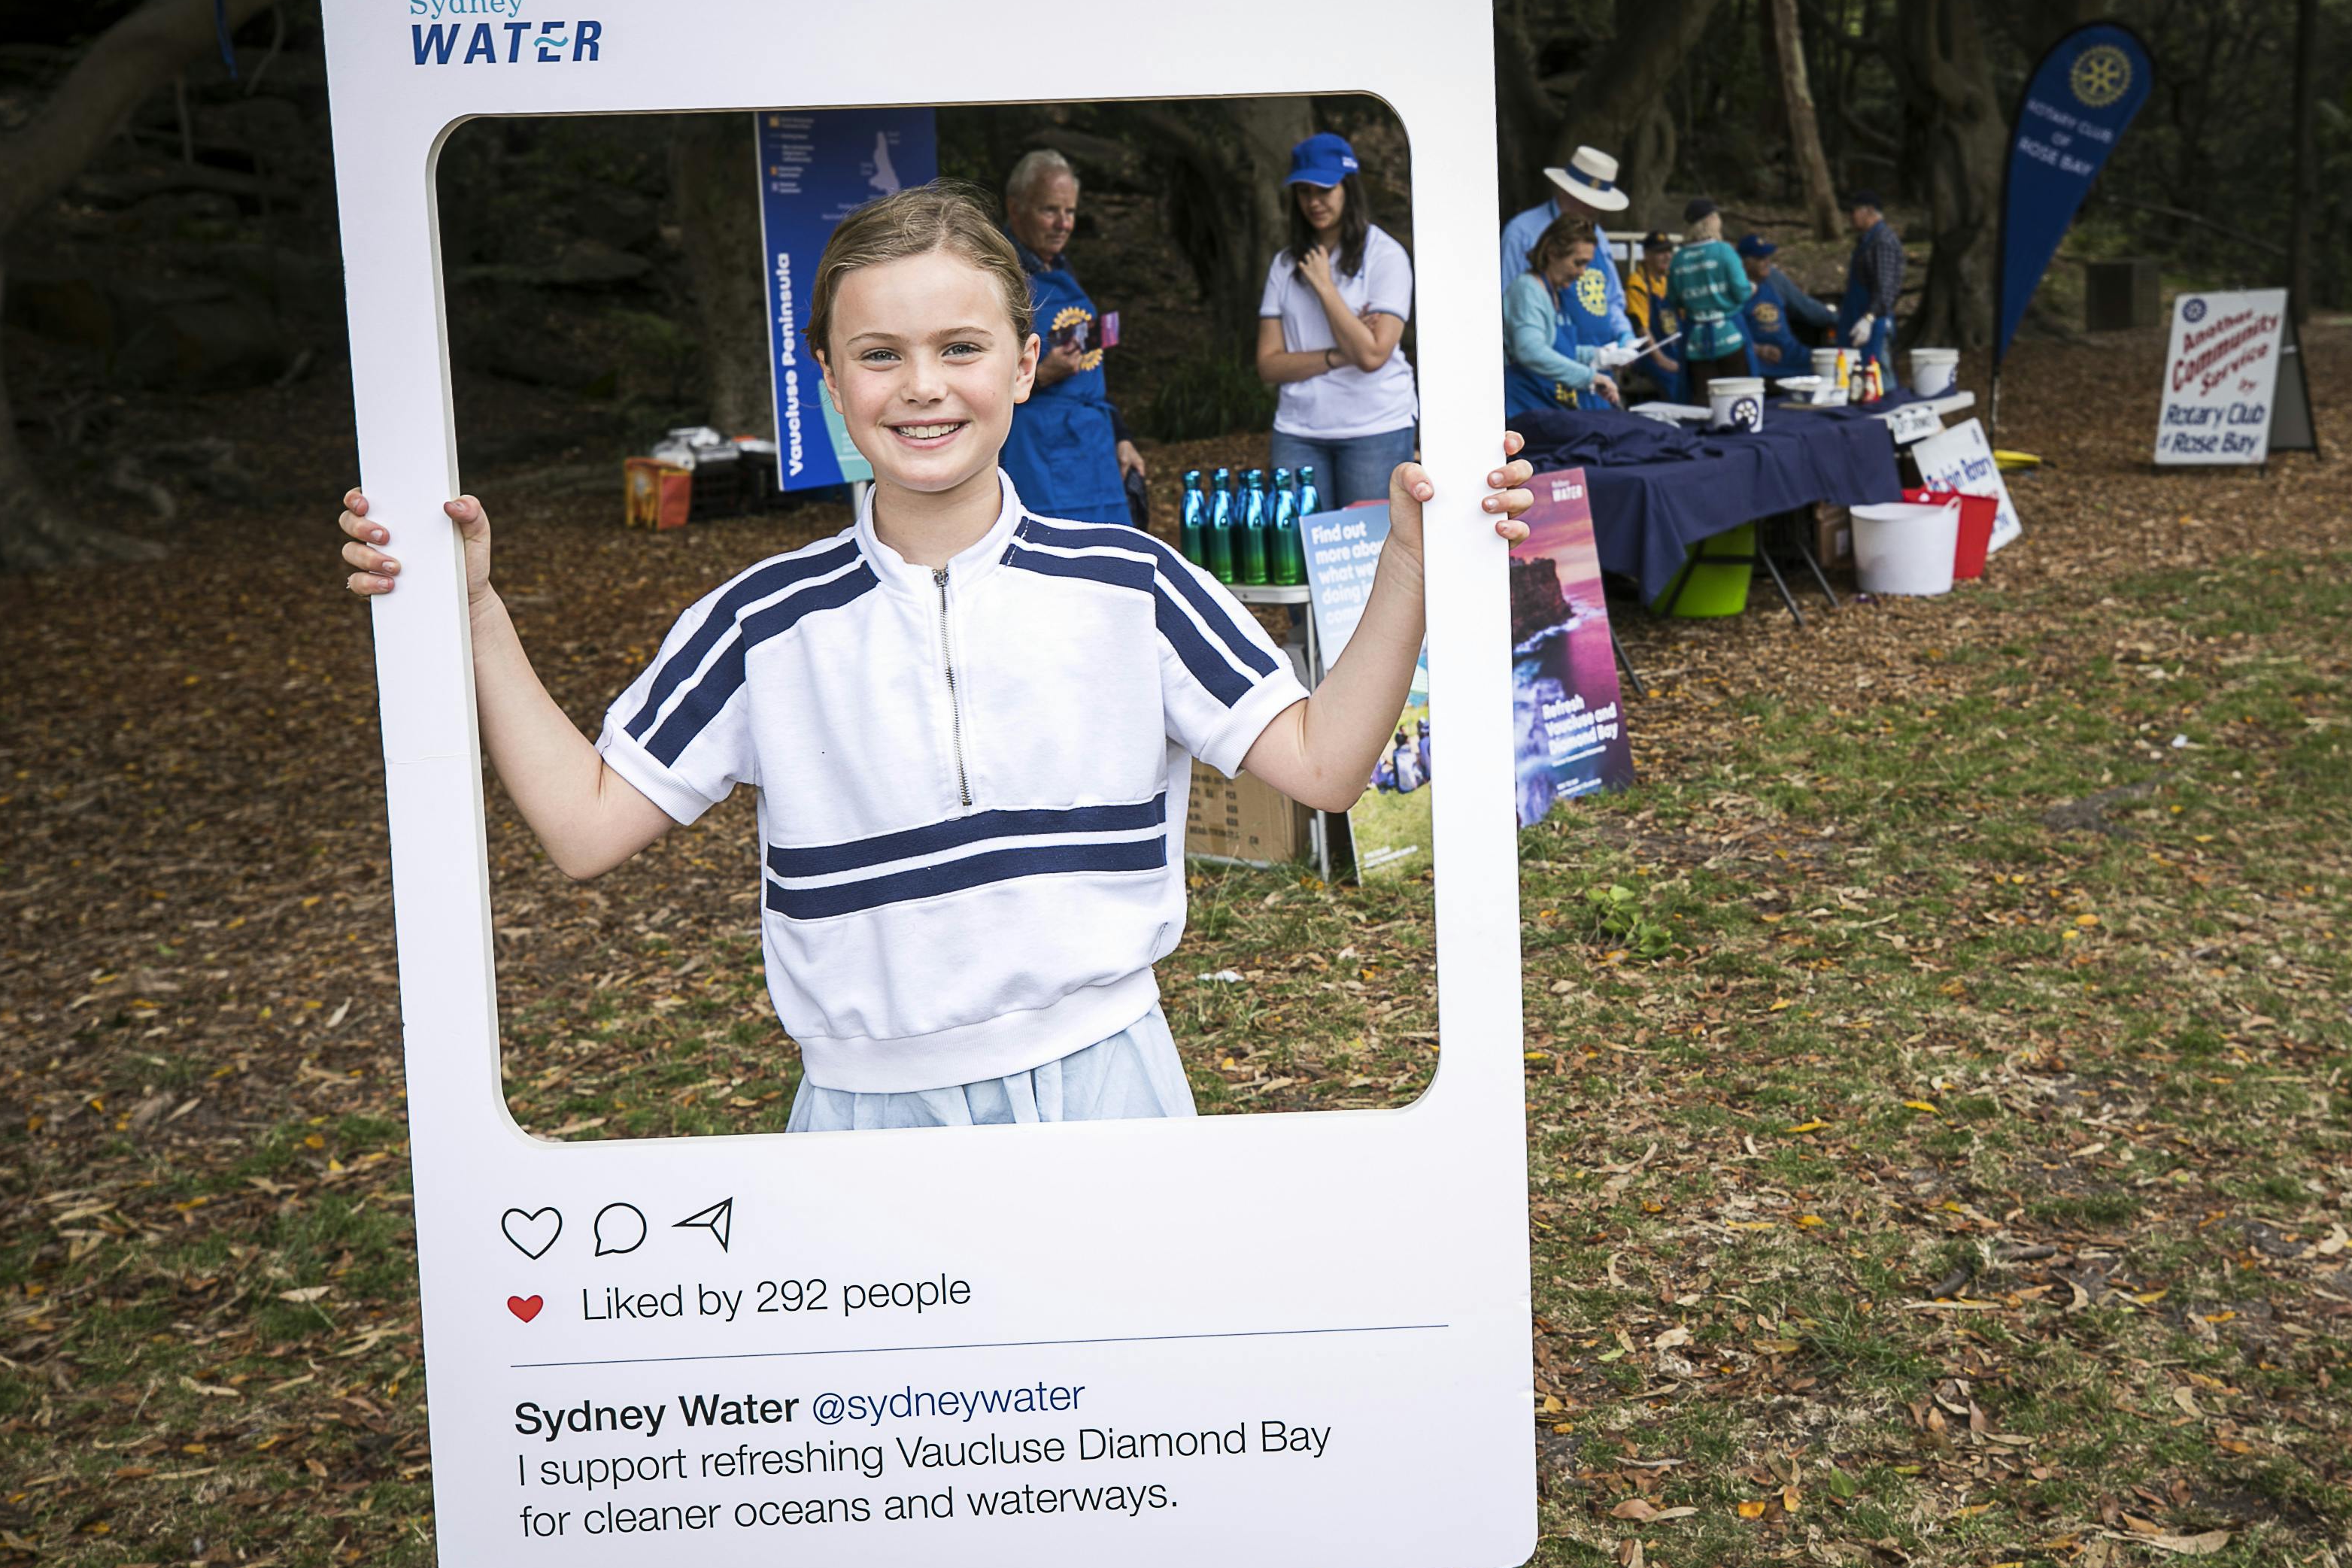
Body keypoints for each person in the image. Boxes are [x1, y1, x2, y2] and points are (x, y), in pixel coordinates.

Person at [338, 181, 1536, 1143]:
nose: (921, 386)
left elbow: (1325, 767)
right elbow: (586, 826)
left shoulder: (1138, 582)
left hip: (1109, 1090)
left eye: (960, 346)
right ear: (825, 376)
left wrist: (1409, 569)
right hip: (865, 1117)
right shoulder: (758, 621)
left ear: (1024, 363)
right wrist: (477, 607)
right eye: (879, 354)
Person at [1255, 132, 1422, 508]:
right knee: (1299, 559)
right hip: (1298, 431)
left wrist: (1326, 288)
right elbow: (1268, 364)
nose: (1314, 202)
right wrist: (1339, 353)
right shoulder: (1285, 264)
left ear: (1348, 187)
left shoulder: (1386, 256)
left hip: (1375, 427)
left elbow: (1373, 357)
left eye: (1324, 189)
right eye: (1303, 192)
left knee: (1372, 557)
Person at [997, 148, 1143, 523]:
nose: (1063, 223)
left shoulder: (1060, 268)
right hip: (1035, 454)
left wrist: (1121, 437)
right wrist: (1043, 374)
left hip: (1092, 450)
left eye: (1071, 212)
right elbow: (977, 376)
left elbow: (1093, 373)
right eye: (1050, 210)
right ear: (1015, 209)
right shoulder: (998, 276)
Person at [1498, 144, 1635, 344]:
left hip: (1603, 357)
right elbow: (1507, 301)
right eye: (1584, 199)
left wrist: (1624, 334)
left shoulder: (1599, 236)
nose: (1591, 208)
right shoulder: (1522, 232)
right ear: (1564, 190)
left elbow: (1611, 298)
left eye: (1597, 203)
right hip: (1546, 359)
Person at [1502, 214, 1633, 414]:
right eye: (1578, 263)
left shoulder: (1554, 292)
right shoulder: (1528, 290)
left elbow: (1557, 348)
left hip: (1545, 403)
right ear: (1553, 253)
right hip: (1525, 405)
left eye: (1587, 264)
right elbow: (1530, 350)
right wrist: (1590, 377)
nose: (1583, 272)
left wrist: (1599, 355)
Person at [1668, 198, 1753, 403]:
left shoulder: (1679, 258)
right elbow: (1742, 292)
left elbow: (1674, 299)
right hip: (1730, 336)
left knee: (1705, 403)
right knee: (1739, 400)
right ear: (1712, 220)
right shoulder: (1724, 252)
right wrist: (1751, 289)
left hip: (1696, 342)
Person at [1738, 233, 1838, 380]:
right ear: (1745, 264)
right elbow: (1732, 332)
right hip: (1758, 359)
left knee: (1831, 366)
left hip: (1791, 353)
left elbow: (1805, 306)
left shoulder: (1774, 279)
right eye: (1760, 259)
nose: (1767, 263)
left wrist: (1837, 320)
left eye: (1767, 257)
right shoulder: (1734, 288)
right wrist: (1758, 350)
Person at [1838, 188, 1904, 381]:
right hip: (1856, 319)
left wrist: (1869, 318)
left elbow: (1885, 289)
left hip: (1874, 324)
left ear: (1868, 212)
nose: (1851, 216)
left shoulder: (1882, 242)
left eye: (1854, 211)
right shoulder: (1867, 241)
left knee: (1878, 378)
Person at [1621, 231, 1686, 402]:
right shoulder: (1637, 282)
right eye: (1660, 252)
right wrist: (1662, 360)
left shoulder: (1670, 280)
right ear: (1647, 255)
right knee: (1675, 385)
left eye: (1668, 251)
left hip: (1676, 350)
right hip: (1650, 354)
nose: (1667, 256)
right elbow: (1641, 328)